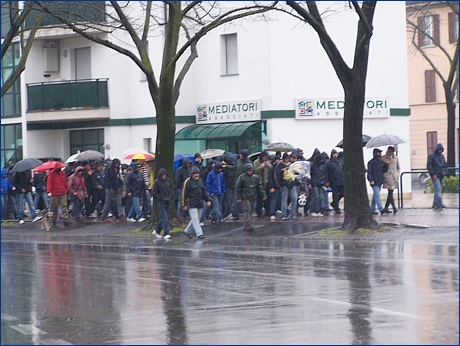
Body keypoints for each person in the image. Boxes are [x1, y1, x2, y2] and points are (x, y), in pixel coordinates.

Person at [182, 166, 212, 239]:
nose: (197, 175)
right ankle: (199, 234)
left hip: (199, 203)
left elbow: (204, 191)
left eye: (198, 173)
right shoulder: (188, 181)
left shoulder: (200, 180)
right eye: (195, 174)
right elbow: (184, 194)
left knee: (196, 219)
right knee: (195, 219)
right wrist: (184, 204)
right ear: (192, 174)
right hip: (192, 204)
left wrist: (208, 199)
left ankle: (187, 231)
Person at [235, 163, 266, 232]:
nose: (250, 172)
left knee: (251, 210)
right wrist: (239, 197)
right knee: (247, 210)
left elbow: (259, 187)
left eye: (251, 170)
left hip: (252, 196)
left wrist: (263, 195)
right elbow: (238, 187)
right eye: (248, 170)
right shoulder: (242, 177)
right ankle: (247, 224)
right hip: (245, 196)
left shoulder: (255, 177)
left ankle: (249, 223)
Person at [101, 158, 127, 223]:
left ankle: (121, 215)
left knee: (119, 202)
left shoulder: (118, 170)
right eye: (117, 164)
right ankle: (104, 216)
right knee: (108, 203)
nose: (117, 165)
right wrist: (110, 187)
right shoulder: (109, 170)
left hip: (117, 188)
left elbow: (118, 178)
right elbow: (107, 179)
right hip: (111, 188)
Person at [152, 168, 174, 239]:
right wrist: (160, 197)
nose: (164, 176)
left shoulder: (167, 180)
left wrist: (171, 196)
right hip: (161, 201)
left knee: (165, 217)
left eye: (165, 175)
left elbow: (170, 189)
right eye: (163, 175)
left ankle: (157, 230)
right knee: (164, 217)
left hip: (168, 200)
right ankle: (166, 232)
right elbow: (154, 193)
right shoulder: (157, 182)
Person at [367, 148, 388, 215]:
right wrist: (371, 180)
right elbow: (369, 172)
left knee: (375, 195)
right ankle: (381, 209)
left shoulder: (380, 162)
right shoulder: (371, 162)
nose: (380, 154)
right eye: (379, 152)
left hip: (379, 180)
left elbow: (383, 170)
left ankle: (372, 209)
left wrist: (386, 165)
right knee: (377, 195)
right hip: (374, 181)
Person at [427, 143, 447, 210]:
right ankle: (440, 204)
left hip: (441, 175)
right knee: (438, 189)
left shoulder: (442, 156)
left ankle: (435, 204)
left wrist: (444, 172)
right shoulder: (432, 156)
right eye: (440, 150)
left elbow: (445, 165)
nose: (440, 151)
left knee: (438, 190)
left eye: (441, 150)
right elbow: (429, 166)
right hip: (436, 175)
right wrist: (433, 174)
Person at [381, 146, 400, 214]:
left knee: (390, 193)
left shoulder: (396, 158)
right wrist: (385, 163)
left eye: (390, 151)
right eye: (388, 151)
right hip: (387, 177)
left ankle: (386, 207)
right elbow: (381, 167)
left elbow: (398, 167)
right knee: (390, 192)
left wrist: (397, 174)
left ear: (392, 152)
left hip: (394, 177)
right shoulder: (383, 158)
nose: (388, 152)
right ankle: (394, 207)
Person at [253, 151, 272, 218]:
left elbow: (271, 169)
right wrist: (261, 166)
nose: (265, 158)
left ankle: (267, 212)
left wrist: (268, 165)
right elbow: (254, 171)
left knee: (268, 198)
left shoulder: (268, 162)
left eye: (267, 157)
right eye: (265, 157)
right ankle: (259, 213)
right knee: (259, 199)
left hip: (266, 182)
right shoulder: (256, 162)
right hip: (259, 182)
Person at [326, 149, 344, 214]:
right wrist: (327, 181)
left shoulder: (340, 161)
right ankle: (336, 208)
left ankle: (334, 204)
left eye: (336, 153)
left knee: (343, 193)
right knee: (335, 195)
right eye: (334, 153)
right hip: (333, 181)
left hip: (341, 180)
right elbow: (327, 172)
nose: (336, 154)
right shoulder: (329, 162)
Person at [268, 155, 281, 220]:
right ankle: (272, 213)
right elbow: (270, 178)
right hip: (274, 186)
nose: (279, 161)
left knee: (278, 199)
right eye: (277, 159)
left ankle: (277, 209)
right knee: (273, 200)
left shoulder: (279, 167)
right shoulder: (272, 168)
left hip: (279, 186)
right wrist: (271, 187)